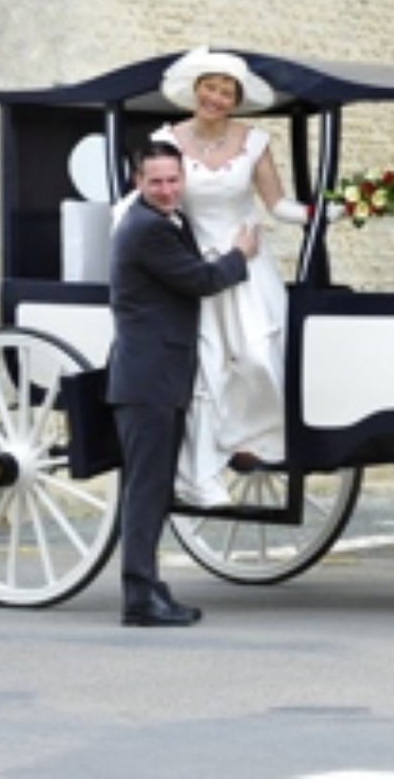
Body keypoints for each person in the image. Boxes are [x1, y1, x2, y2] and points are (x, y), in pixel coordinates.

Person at [108, 140, 260, 627]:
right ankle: (139, 597)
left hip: (160, 375)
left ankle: (150, 589)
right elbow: (200, 279)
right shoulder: (145, 229)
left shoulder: (164, 220)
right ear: (138, 183)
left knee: (152, 488)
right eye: (156, 181)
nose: (168, 189)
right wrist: (240, 255)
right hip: (147, 379)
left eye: (174, 180)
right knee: (146, 490)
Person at [153, 46, 313, 506]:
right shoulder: (168, 139)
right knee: (206, 369)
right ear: (195, 90)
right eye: (210, 87)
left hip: (248, 268)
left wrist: (336, 210)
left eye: (227, 92)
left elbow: (278, 205)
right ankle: (199, 476)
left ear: (236, 99)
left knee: (259, 355)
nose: (217, 98)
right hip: (196, 269)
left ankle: (255, 444)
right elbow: (155, 198)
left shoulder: (254, 141)